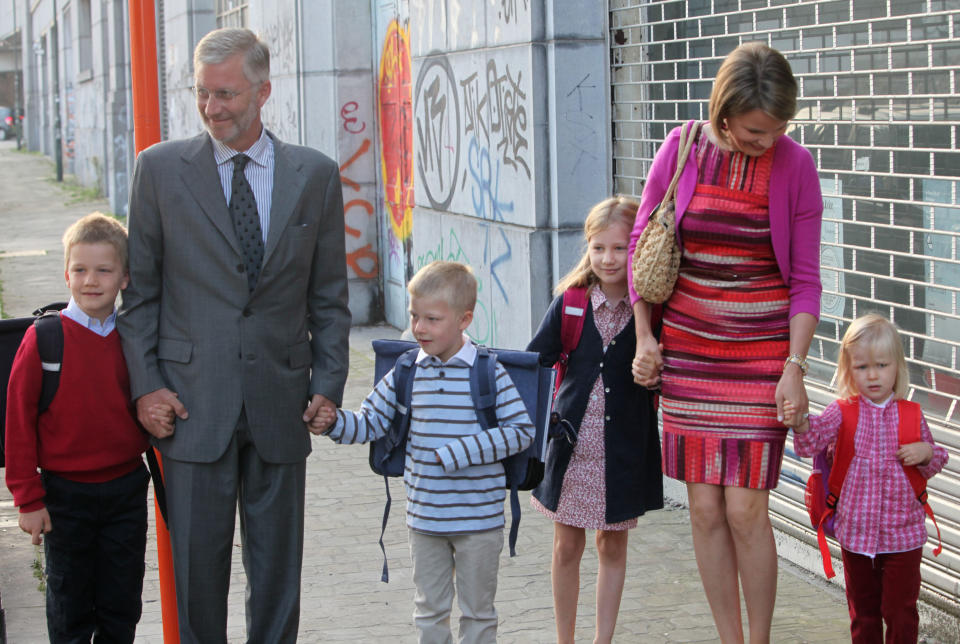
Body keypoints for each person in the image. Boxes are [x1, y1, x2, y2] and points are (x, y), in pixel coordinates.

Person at [118, 28, 351, 643]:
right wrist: (147, 389)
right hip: (191, 406)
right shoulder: (160, 170)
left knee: (278, 578)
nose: (212, 107)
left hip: (282, 402)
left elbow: (328, 298)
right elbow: (138, 299)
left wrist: (328, 383)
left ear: (263, 91)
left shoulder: (316, 175)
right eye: (202, 93)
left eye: (226, 94)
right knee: (197, 577)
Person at [629, 42, 823, 643]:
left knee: (745, 510)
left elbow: (808, 281)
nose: (768, 139)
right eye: (755, 129)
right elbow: (643, 245)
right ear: (723, 112)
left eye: (778, 128)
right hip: (688, 354)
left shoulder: (796, 165)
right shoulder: (681, 148)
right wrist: (644, 339)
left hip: (762, 357)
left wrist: (795, 366)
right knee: (706, 510)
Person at [314, 261, 533, 644]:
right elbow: (369, 423)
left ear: (464, 319)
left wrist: (460, 452)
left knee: (479, 616)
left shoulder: (488, 371)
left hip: (479, 522)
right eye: (415, 316)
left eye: (432, 319)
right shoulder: (406, 371)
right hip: (425, 520)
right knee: (429, 613)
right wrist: (333, 422)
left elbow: (521, 432)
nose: (419, 328)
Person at [5, 213, 161, 642]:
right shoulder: (44, 339)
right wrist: (27, 499)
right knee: (70, 603)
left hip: (125, 490)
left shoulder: (136, 339)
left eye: (104, 270)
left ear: (125, 278)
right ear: (66, 274)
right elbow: (17, 424)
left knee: (121, 601)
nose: (91, 280)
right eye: (80, 270)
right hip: (63, 497)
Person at [527, 196, 663, 643]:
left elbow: (669, 375)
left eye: (620, 248)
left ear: (639, 250)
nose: (608, 258)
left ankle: (602, 640)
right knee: (567, 546)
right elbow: (535, 364)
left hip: (622, 454)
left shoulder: (654, 314)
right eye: (598, 247)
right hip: (570, 451)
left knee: (612, 545)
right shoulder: (570, 304)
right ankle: (565, 639)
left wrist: (657, 376)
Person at [786, 314, 947, 643]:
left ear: (897, 367)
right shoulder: (841, 411)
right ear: (848, 369)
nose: (873, 375)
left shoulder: (912, 414)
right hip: (856, 537)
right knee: (863, 612)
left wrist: (926, 453)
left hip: (904, 537)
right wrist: (800, 422)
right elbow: (812, 441)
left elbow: (935, 461)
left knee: (901, 611)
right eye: (862, 367)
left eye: (882, 365)